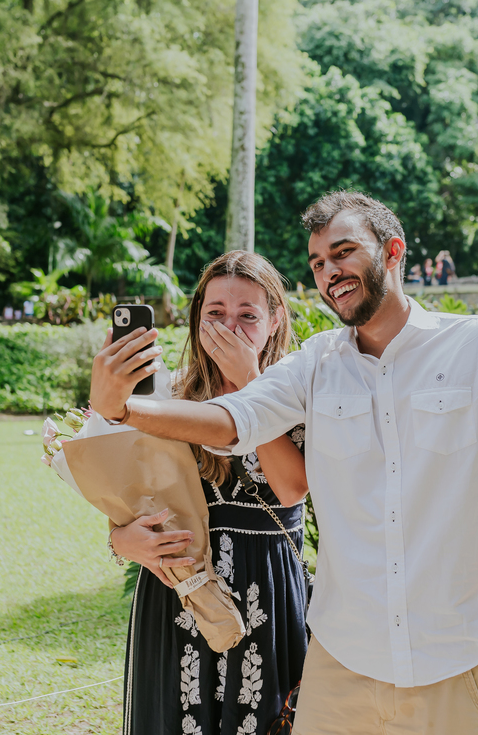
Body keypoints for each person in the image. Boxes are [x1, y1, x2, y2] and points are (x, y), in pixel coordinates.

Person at [91, 191, 478, 734]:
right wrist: (121, 409)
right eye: (317, 263)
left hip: (453, 659)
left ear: (393, 251)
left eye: (344, 253)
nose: (329, 271)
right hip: (341, 665)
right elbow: (232, 419)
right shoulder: (315, 364)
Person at [108, 251, 310, 735]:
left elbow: (291, 488)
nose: (229, 327)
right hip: (178, 595)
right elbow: (131, 499)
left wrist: (250, 383)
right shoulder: (167, 399)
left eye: (247, 316)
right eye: (215, 313)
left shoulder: (299, 390)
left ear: (275, 319)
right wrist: (120, 540)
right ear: (197, 316)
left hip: (267, 594)